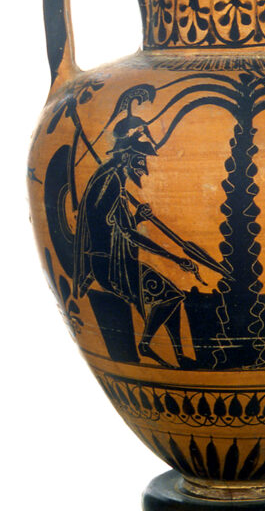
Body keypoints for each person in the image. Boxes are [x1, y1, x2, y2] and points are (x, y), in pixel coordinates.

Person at [73, 115, 196, 367]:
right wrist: (175, 258)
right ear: (127, 156)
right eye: (140, 160)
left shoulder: (111, 179)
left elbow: (114, 224)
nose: (144, 168)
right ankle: (147, 345)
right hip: (110, 266)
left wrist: (136, 217)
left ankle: (179, 356)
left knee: (170, 296)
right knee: (171, 296)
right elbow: (124, 232)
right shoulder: (110, 181)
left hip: (114, 260)